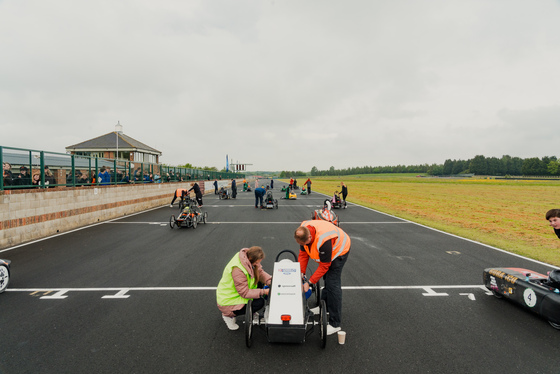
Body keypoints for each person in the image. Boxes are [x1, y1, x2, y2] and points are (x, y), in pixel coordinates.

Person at [294, 220, 351, 335]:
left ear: (310, 236)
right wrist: (301, 274)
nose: (304, 245)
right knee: (327, 280)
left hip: (340, 251)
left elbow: (325, 266)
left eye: (306, 243)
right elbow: (303, 254)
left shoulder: (324, 240)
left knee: (332, 283)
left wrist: (309, 282)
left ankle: (335, 324)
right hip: (329, 248)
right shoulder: (302, 231)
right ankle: (324, 307)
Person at [216, 246, 272, 330]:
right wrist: (264, 291)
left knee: (259, 283)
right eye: (256, 262)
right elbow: (244, 293)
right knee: (259, 303)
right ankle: (228, 316)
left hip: (238, 292)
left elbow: (259, 272)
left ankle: (250, 310)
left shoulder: (247, 258)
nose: (258, 264)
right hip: (228, 301)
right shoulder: (238, 270)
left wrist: (270, 281)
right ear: (250, 258)